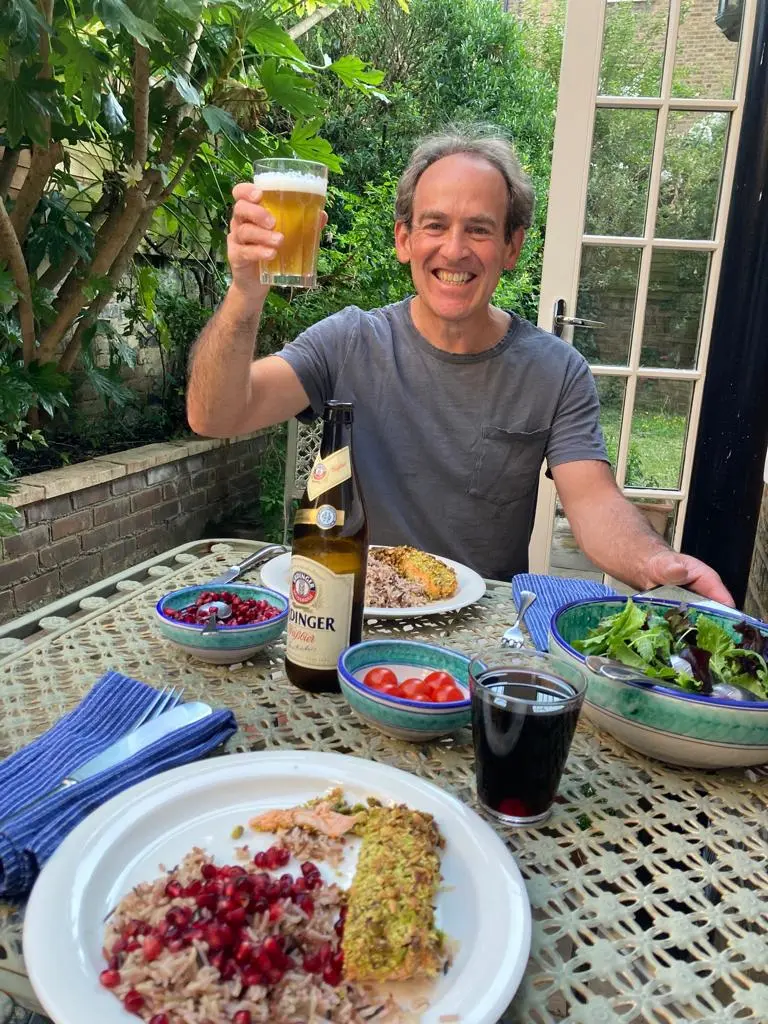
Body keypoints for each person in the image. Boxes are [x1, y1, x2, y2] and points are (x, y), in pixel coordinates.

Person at [187, 125, 732, 605]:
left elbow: (594, 503)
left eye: (478, 229)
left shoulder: (556, 372)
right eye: (434, 225)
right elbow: (215, 415)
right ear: (404, 239)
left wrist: (657, 562)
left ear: (511, 248)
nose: (453, 250)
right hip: (357, 615)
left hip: (481, 633)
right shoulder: (350, 341)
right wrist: (245, 293)